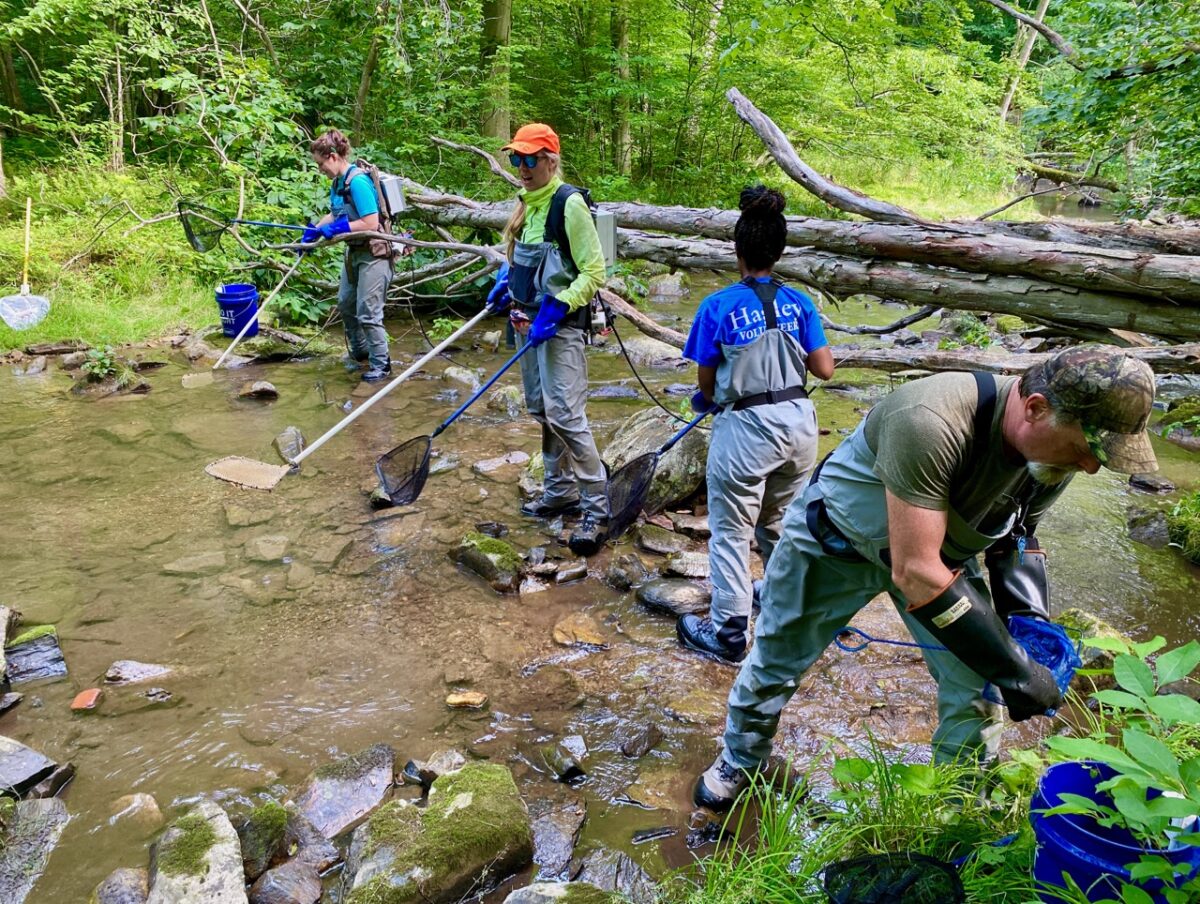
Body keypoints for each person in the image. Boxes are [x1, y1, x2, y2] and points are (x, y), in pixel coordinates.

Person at [693, 344, 1158, 812]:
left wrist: (1027, 632)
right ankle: (742, 759)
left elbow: (1016, 537)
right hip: (836, 545)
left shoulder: (1055, 454)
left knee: (977, 684)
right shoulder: (930, 418)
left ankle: (956, 799)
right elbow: (915, 571)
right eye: (1086, 449)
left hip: (944, 564)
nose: (1092, 466)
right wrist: (1016, 669)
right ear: (1036, 408)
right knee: (778, 659)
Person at [677, 185, 835, 664]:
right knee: (779, 521)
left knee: (730, 530)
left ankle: (727, 630)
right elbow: (825, 370)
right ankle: (786, 606)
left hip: (746, 430)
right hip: (799, 427)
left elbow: (705, 379)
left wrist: (706, 399)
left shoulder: (718, 306)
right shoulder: (800, 302)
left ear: (737, 250)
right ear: (779, 250)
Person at [486, 123, 609, 556]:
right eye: (515, 159)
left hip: (560, 328)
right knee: (541, 409)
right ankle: (558, 491)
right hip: (525, 324)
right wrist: (507, 280)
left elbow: (595, 273)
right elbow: (523, 257)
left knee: (566, 414)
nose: (521, 167)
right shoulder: (525, 203)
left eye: (529, 159)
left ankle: (596, 507)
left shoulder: (568, 204)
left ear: (550, 160)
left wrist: (558, 308)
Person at [305, 130, 394, 383]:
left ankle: (382, 365)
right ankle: (360, 353)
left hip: (375, 253)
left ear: (333, 157)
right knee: (345, 304)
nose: (320, 169)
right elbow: (335, 215)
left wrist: (339, 229)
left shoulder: (357, 182)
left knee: (368, 311)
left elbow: (370, 222)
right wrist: (313, 230)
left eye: (321, 164)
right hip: (353, 253)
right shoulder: (337, 183)